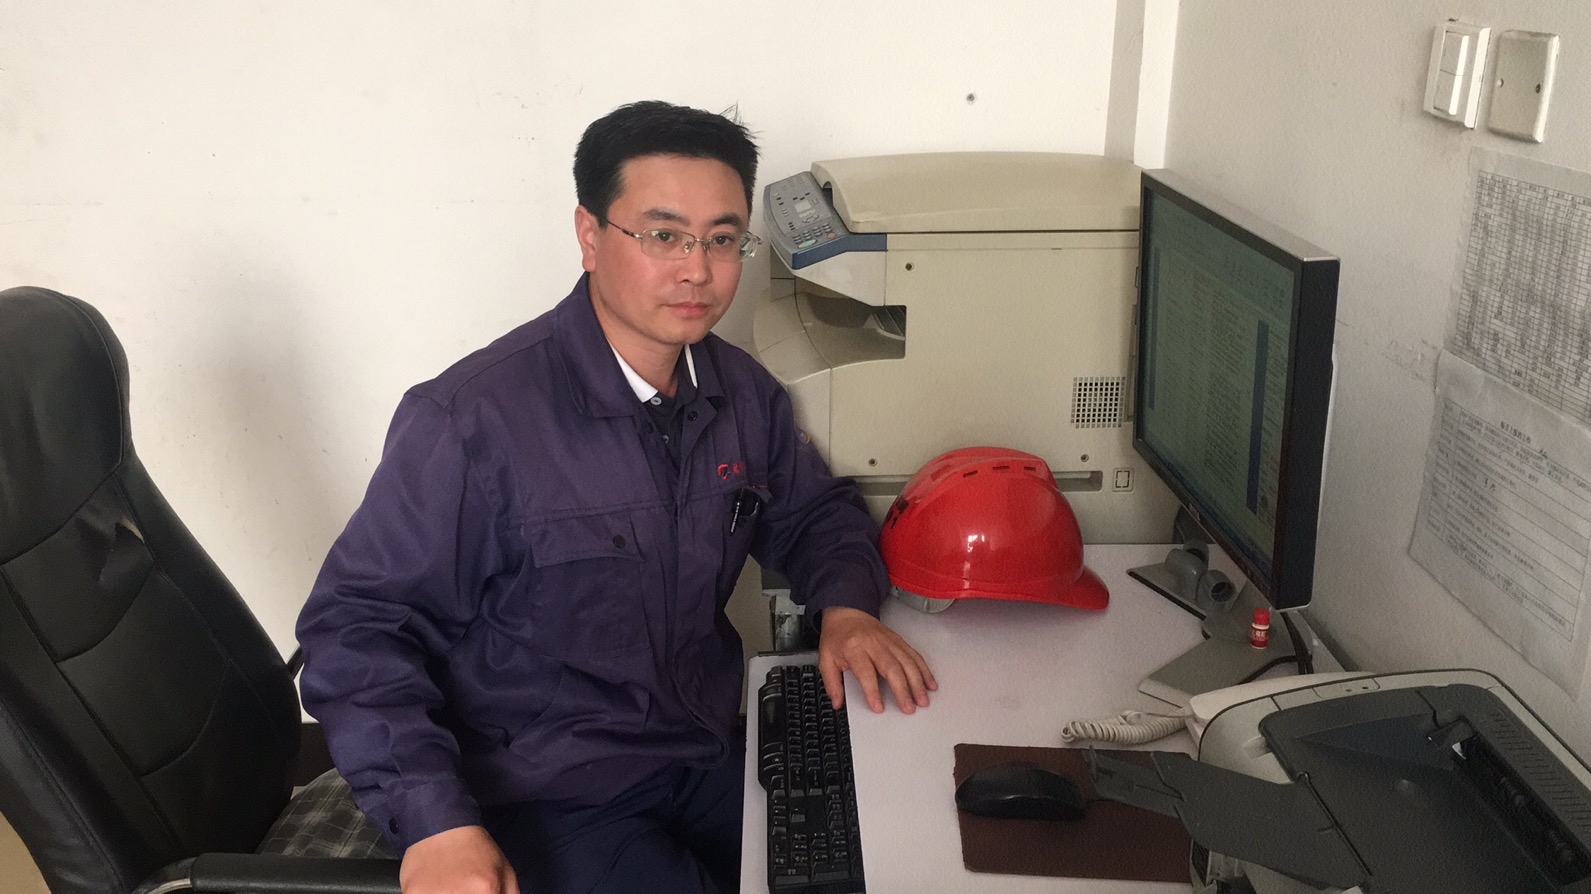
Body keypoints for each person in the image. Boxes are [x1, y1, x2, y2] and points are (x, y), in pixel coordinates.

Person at [295, 100, 937, 894]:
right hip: (542, 792)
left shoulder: (741, 393)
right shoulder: (470, 421)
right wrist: (435, 823)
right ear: (590, 235)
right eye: (663, 235)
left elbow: (813, 514)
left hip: (697, 751)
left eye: (722, 239)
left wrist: (845, 607)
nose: (697, 269)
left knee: (891, 852)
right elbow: (357, 627)